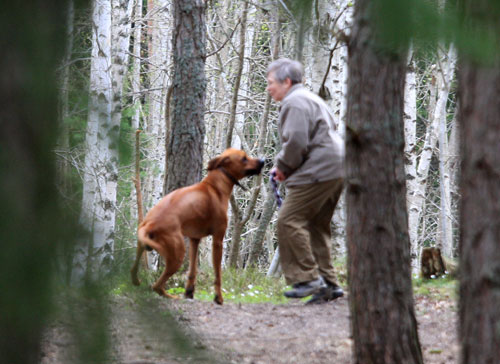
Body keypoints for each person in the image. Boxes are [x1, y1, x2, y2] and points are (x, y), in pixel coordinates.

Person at [267, 58, 345, 304]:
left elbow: (297, 141)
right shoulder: (310, 98)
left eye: (271, 83)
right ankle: (329, 284)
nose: (268, 88)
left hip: (319, 169)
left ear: (286, 82)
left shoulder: (294, 102)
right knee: (316, 226)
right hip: (337, 166)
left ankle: (307, 278)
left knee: (288, 220)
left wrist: (283, 167)